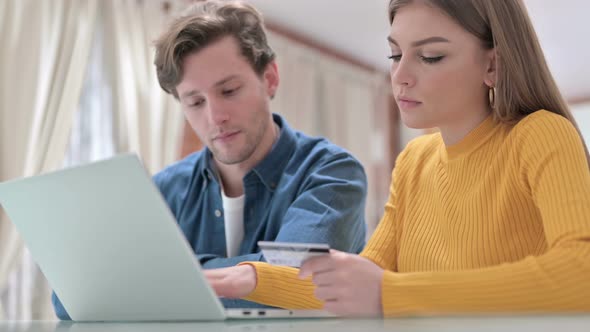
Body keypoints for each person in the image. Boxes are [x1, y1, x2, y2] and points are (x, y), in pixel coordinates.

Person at [205, 0, 590, 317]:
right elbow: (367, 276)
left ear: (493, 65)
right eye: (394, 53)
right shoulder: (415, 160)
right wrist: (252, 277)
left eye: (431, 56)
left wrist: (392, 293)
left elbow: (581, 273)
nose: (400, 75)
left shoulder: (540, 134)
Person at [52, 0, 367, 319]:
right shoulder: (165, 189)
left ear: (269, 78)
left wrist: (150, 277)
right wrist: (245, 275)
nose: (216, 117)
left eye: (229, 91)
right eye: (195, 102)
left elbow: (292, 285)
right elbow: (71, 298)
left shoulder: (332, 173)